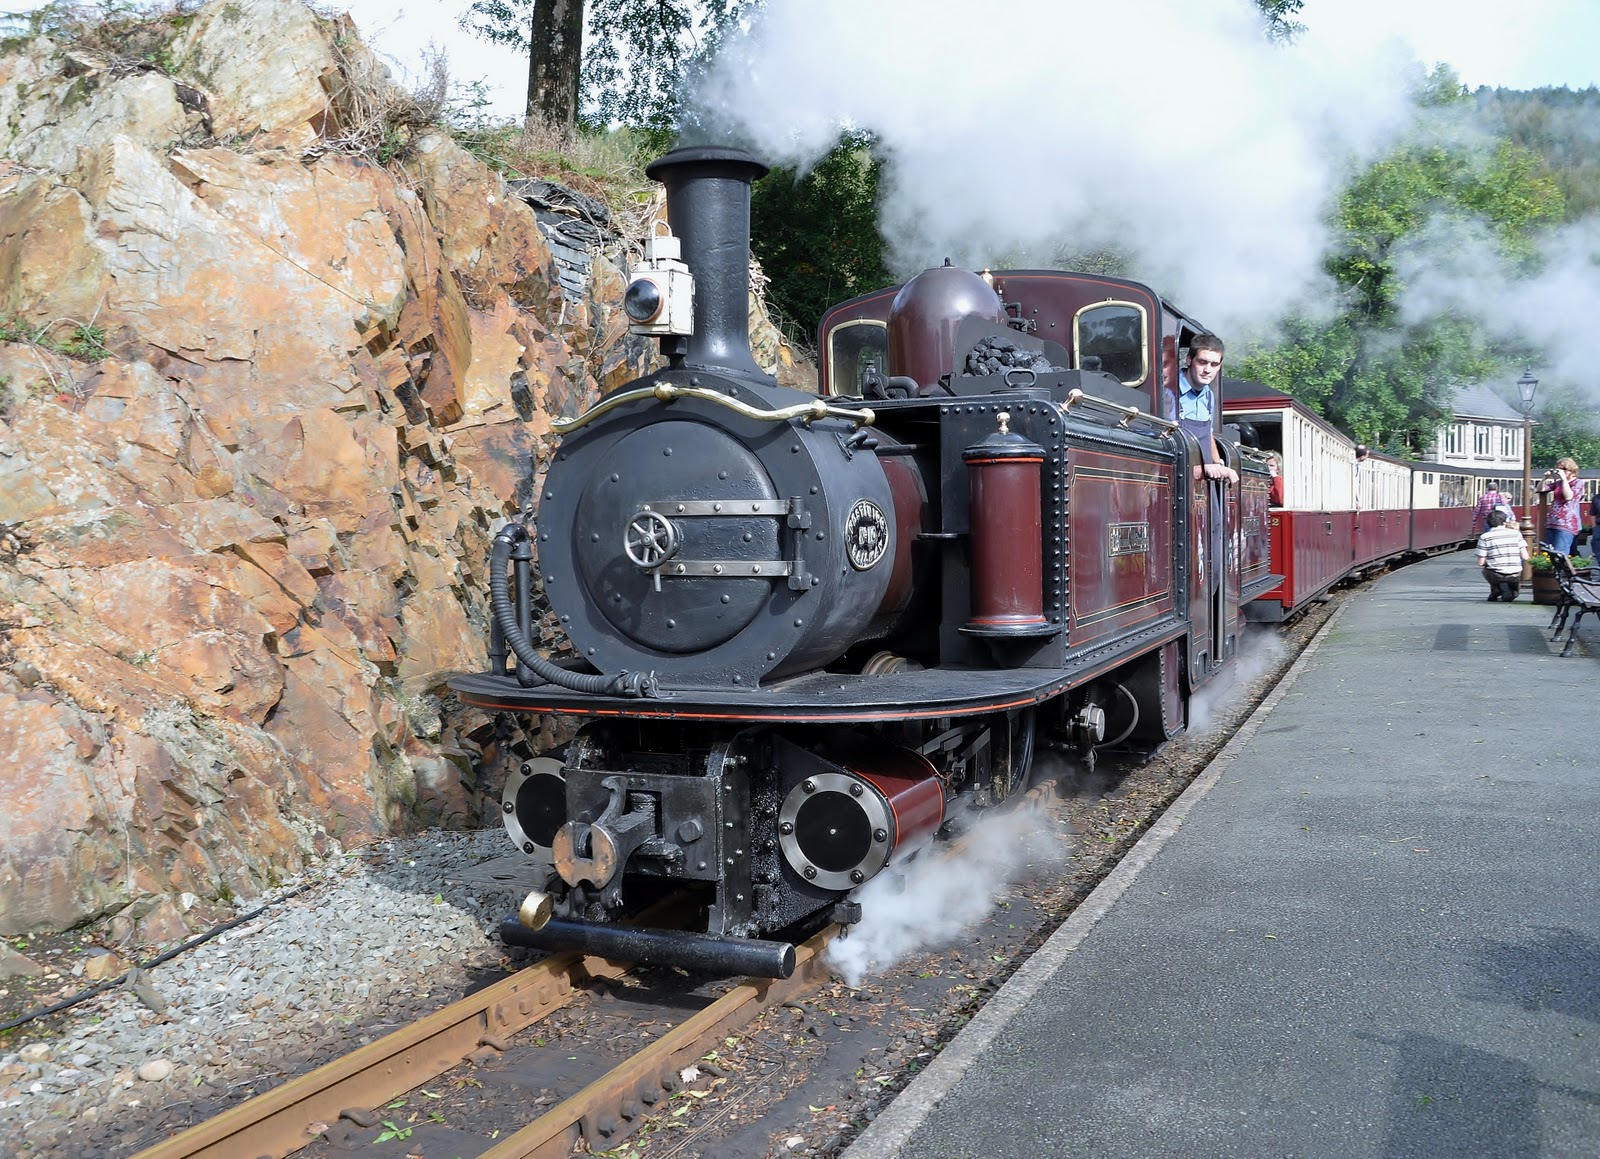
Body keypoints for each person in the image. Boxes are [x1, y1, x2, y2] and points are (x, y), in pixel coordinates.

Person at [1177, 334, 1238, 485]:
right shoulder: (1170, 391)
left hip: (1202, 481)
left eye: (1214, 364)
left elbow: (1207, 434)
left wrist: (1218, 464)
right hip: (1180, 479)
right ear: (1189, 359)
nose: (1207, 370)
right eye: (1202, 362)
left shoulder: (1209, 396)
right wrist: (1202, 468)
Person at [1477, 508, 1530, 601]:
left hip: (1496, 574)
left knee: (1486, 570)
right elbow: (1525, 557)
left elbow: (1481, 562)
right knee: (1513, 592)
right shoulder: (1516, 534)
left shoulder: (1484, 537)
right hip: (1515, 573)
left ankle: (1497, 588)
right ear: (1504, 522)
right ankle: (1512, 589)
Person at [1538, 457, 1581, 556]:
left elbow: (1568, 496)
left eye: (1563, 469)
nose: (1561, 472)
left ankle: (1562, 571)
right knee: (1549, 553)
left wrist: (1564, 480)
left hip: (1566, 524)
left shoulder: (1577, 483)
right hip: (1552, 522)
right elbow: (1541, 489)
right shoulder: (1558, 483)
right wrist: (1545, 478)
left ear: (1571, 470)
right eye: (1559, 469)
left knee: (1559, 554)